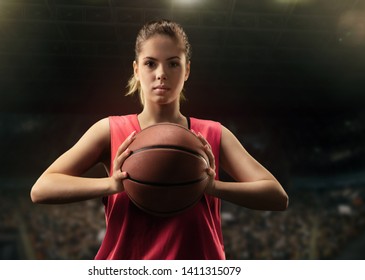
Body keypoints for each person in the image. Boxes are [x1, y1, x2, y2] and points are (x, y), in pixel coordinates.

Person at [30, 19, 288, 260]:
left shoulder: (213, 134)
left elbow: (277, 196)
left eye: (173, 63)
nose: (161, 73)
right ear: (136, 68)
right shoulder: (109, 130)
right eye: (150, 63)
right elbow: (42, 189)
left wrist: (213, 188)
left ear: (187, 70)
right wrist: (111, 185)